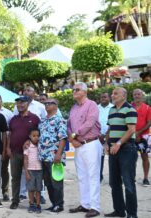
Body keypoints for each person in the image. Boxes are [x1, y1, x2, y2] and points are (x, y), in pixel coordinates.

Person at [68, 82, 101, 218]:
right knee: (82, 176)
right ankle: (85, 204)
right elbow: (69, 125)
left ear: (85, 92)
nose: (74, 91)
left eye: (77, 89)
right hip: (78, 145)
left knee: (93, 175)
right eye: (73, 89)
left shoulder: (91, 105)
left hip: (91, 143)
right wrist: (72, 139)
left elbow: (89, 123)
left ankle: (95, 207)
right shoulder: (74, 108)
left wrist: (75, 135)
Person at [104, 87, 138, 218]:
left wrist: (118, 144)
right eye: (112, 93)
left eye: (116, 93)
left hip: (126, 150)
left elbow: (131, 130)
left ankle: (132, 214)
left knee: (129, 183)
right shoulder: (111, 110)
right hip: (113, 150)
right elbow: (110, 129)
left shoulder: (130, 109)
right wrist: (106, 143)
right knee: (114, 182)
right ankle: (119, 211)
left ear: (124, 96)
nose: (113, 95)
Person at [14, 86, 46, 203]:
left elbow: (43, 125)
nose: (26, 92)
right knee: (25, 170)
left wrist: (35, 140)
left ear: (34, 93)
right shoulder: (17, 106)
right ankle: (23, 193)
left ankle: (41, 194)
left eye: (29, 90)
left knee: (37, 169)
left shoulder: (40, 106)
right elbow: (15, 120)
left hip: (36, 145)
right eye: (25, 90)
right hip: (20, 146)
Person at [7, 96, 40, 210]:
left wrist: (29, 140)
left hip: (30, 154)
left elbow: (38, 135)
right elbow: (9, 135)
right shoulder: (13, 119)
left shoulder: (34, 118)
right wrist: (7, 148)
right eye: (18, 103)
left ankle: (34, 200)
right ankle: (15, 200)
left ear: (28, 104)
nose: (20, 105)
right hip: (15, 152)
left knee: (31, 177)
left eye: (22, 103)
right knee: (15, 177)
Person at [39, 98, 67, 213]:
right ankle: (53, 203)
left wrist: (58, 154)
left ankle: (59, 205)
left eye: (50, 103)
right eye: (46, 103)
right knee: (48, 182)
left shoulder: (59, 120)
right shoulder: (43, 120)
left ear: (56, 105)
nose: (47, 105)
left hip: (54, 156)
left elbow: (63, 138)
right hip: (43, 156)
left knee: (56, 182)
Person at [132, 89, 151, 186]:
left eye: (138, 94)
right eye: (135, 94)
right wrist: (133, 133)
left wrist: (138, 133)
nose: (137, 96)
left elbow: (149, 123)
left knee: (145, 157)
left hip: (144, 136)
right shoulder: (129, 107)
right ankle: (132, 178)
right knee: (131, 158)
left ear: (142, 95)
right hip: (130, 136)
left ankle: (146, 178)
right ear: (133, 96)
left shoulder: (147, 108)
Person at [24, 128, 42, 214]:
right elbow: (25, 160)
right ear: (29, 136)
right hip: (30, 170)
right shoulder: (27, 146)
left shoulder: (41, 146)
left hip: (39, 170)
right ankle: (31, 204)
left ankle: (38, 205)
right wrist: (26, 172)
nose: (36, 137)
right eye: (34, 136)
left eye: (38, 136)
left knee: (38, 189)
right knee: (31, 189)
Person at [98, 93, 114, 182]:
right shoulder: (96, 108)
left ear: (109, 98)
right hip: (98, 137)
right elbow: (94, 122)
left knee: (112, 158)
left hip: (111, 136)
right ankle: (99, 176)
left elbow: (113, 123)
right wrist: (99, 134)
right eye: (101, 97)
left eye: (105, 97)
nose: (103, 98)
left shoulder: (113, 108)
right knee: (99, 158)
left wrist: (106, 135)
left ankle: (113, 177)